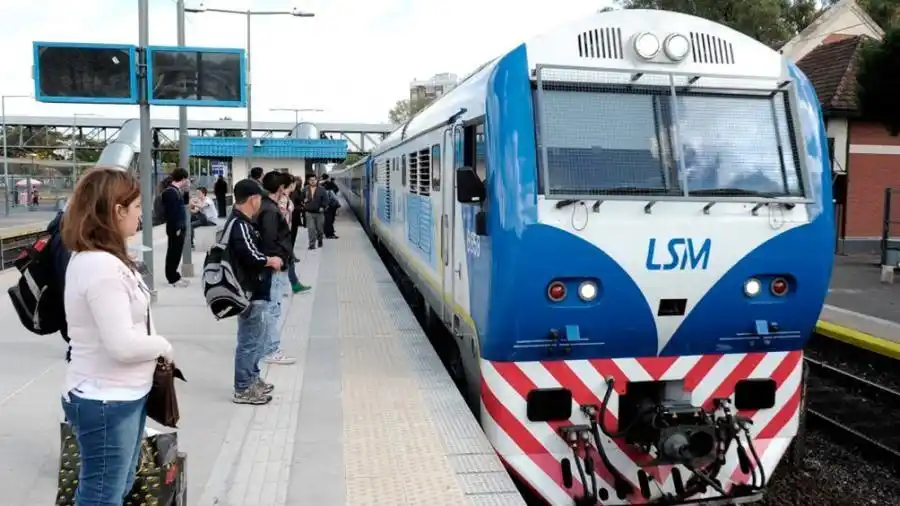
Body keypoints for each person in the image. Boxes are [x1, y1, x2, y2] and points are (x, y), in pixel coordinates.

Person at [60, 166, 174, 504]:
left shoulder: (105, 259)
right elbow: (122, 345)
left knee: (117, 485)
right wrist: (163, 345)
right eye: (137, 206)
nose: (142, 214)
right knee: (101, 495)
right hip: (106, 398)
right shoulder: (100, 266)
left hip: (120, 394)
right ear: (117, 210)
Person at [225, 179, 283, 404]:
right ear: (253, 199)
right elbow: (252, 256)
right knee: (249, 341)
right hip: (250, 292)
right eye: (259, 198)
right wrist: (272, 260)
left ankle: (252, 378)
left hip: (253, 290)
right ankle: (243, 388)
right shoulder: (241, 225)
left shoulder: (243, 223)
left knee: (255, 339)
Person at [257, 172, 298, 365]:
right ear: (281, 187)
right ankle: (270, 350)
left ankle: (266, 346)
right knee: (272, 309)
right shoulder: (271, 210)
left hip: (274, 265)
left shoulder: (265, 206)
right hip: (274, 267)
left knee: (272, 307)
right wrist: (278, 259)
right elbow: (270, 240)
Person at [278, 176, 312, 295]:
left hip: (285, 232)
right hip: (281, 234)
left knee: (289, 260)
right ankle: (285, 287)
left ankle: (293, 284)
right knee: (285, 261)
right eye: (293, 183)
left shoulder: (286, 197)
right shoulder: (282, 198)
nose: (295, 185)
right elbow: (280, 216)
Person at [161, 168, 190, 287]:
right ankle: (172, 277)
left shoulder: (176, 191)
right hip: (175, 228)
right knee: (173, 253)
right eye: (186, 179)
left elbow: (184, 204)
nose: (187, 181)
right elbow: (171, 213)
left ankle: (175, 276)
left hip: (179, 227)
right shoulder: (170, 192)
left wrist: (187, 191)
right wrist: (177, 227)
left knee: (177, 253)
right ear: (182, 179)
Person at [303, 175, 328, 250]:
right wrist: (304, 203)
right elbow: (301, 198)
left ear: (317, 180)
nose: (313, 181)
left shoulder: (322, 189)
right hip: (309, 212)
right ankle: (312, 244)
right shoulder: (305, 189)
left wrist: (323, 207)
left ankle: (320, 240)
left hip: (319, 213)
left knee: (319, 229)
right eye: (311, 180)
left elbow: (326, 200)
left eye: (314, 180)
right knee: (311, 229)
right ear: (308, 181)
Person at [320, 174, 341, 240]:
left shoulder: (320, 184)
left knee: (327, 219)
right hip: (330, 205)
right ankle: (329, 234)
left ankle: (328, 232)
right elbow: (336, 190)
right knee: (329, 220)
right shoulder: (329, 184)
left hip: (326, 205)